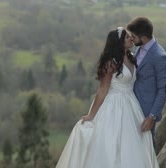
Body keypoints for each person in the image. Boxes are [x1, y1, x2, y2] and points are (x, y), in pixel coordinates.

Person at [56, 27, 159, 168]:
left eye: (130, 36)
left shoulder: (131, 58)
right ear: (119, 42)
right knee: (111, 143)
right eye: (127, 37)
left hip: (131, 106)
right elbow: (102, 90)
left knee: (133, 144)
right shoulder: (110, 63)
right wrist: (91, 115)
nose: (131, 38)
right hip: (113, 106)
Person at [126, 17, 166, 145]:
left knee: (146, 149)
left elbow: (164, 90)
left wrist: (152, 116)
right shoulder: (139, 48)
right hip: (131, 107)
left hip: (146, 112)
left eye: (134, 36)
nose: (132, 39)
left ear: (143, 37)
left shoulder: (160, 56)